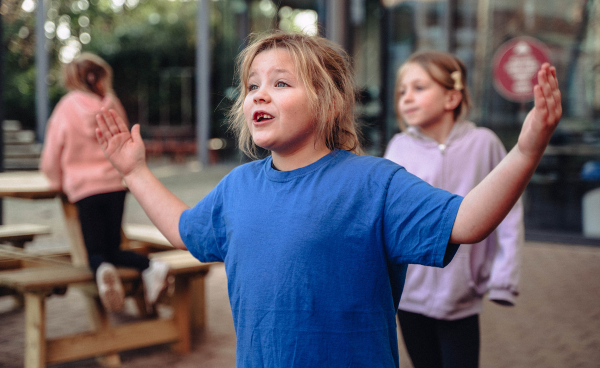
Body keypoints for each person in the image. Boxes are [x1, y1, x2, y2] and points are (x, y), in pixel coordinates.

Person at [95, 31, 560, 367]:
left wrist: (525, 151)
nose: (260, 93)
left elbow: (468, 222)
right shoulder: (237, 188)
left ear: (327, 100)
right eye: (252, 84)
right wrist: (135, 173)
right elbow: (182, 229)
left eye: (280, 83)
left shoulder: (373, 183)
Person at [384, 50, 524, 368]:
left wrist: (503, 278)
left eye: (419, 88)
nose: (406, 97)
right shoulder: (398, 147)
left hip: (461, 295)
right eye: (402, 90)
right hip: (410, 297)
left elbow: (509, 213)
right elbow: (388, 218)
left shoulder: (484, 143)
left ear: (451, 98)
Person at [40, 52, 170, 313]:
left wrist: (56, 181)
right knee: (113, 246)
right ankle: (150, 267)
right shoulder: (112, 104)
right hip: (115, 186)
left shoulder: (67, 107)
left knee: (94, 252)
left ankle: (103, 270)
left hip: (84, 189)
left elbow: (52, 151)